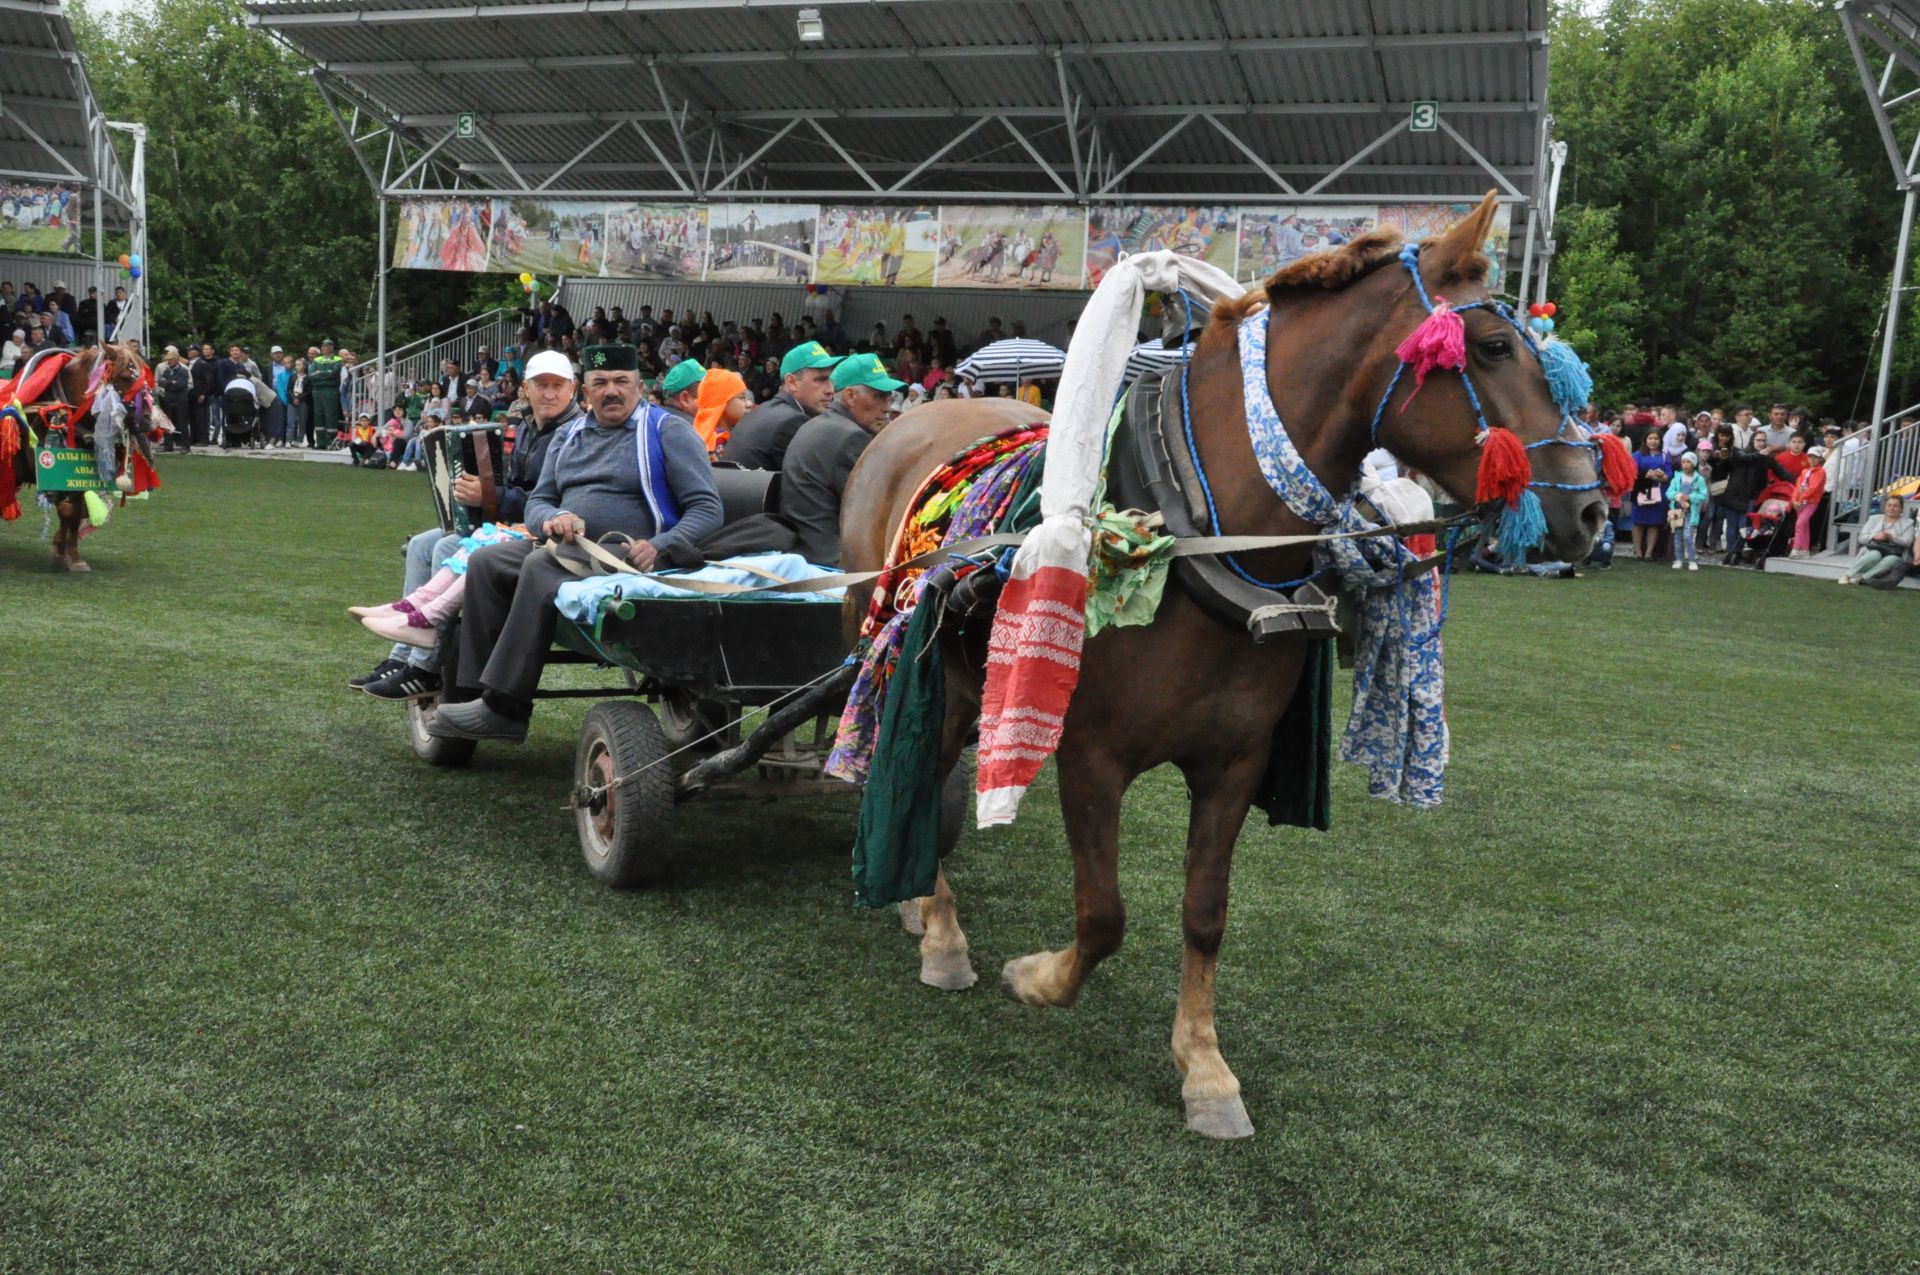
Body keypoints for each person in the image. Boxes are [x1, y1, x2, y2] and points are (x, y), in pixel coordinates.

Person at [429, 343, 723, 742]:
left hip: (630, 556)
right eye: (600, 383)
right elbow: (539, 499)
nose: (611, 391)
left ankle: (506, 707)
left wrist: (662, 545)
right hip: (568, 548)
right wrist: (551, 519)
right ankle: (471, 696)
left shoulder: (667, 431)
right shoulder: (569, 435)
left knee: (539, 566)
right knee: (487, 562)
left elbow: (707, 508)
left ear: (639, 387)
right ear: (586, 393)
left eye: (622, 381)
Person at [350, 351, 587, 701]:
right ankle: (401, 656)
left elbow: (552, 500)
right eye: (541, 385)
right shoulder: (526, 427)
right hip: (511, 524)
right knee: (422, 543)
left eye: (557, 386)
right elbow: (524, 489)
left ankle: (423, 667)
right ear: (526, 388)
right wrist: (482, 496)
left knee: (446, 547)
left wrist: (490, 495)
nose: (549, 394)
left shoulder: (575, 433)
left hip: (536, 531)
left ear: (573, 389)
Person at [780, 352, 902, 564]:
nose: (886, 407)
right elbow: (874, 516)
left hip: (806, 550)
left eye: (888, 397)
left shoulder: (818, 424)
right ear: (850, 396)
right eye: (878, 396)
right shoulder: (850, 437)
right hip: (832, 561)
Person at [721, 340, 845, 471]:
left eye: (831, 381)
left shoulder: (763, 411)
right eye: (820, 379)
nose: (830, 390)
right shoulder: (792, 422)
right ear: (791, 382)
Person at [1838, 495, 1916, 586]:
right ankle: (1847, 575)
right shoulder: (1874, 519)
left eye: (1895, 506)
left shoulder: (1908, 523)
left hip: (1894, 552)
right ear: (1884, 507)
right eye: (1889, 505)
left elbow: (1908, 542)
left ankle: (1862, 578)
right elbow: (1861, 538)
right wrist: (1874, 537)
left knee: (1891, 559)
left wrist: (1891, 537)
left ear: (1901, 509)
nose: (1892, 508)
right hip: (1872, 549)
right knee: (1875, 554)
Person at [1629, 429, 1672, 561]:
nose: (1653, 442)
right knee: (1638, 522)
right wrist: (1645, 475)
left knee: (1654, 523)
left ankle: (1649, 552)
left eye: (1656, 439)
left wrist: (1661, 476)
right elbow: (1631, 472)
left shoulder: (1664, 456)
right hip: (1641, 490)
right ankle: (1637, 551)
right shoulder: (1637, 455)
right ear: (1645, 440)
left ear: (1660, 441)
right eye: (1650, 439)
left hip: (1658, 492)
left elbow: (1669, 474)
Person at [692, 366, 752, 457]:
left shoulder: (700, 435)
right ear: (722, 403)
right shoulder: (718, 442)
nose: (749, 404)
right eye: (742, 398)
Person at [1666, 452, 1708, 571]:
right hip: (1676, 510)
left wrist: (1690, 497)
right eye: (1683, 462)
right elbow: (1669, 493)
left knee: (1688, 535)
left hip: (1691, 511)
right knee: (1677, 535)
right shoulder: (1677, 477)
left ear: (1693, 464)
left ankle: (1692, 560)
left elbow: (1702, 495)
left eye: (1688, 462)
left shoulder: (1698, 479)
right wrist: (1677, 495)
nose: (1685, 464)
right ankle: (1679, 559)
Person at [1787, 446, 1828, 559]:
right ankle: (1805, 550)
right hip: (1800, 502)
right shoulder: (1805, 471)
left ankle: (1796, 548)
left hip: (1811, 502)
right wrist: (1795, 499)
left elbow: (1813, 488)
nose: (1812, 460)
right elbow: (1798, 486)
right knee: (1803, 525)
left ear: (1820, 459)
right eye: (1810, 457)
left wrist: (1800, 499)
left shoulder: (1821, 472)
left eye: (1815, 457)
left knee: (1800, 523)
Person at [156, 346, 192, 452]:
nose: (168, 362)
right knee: (167, 423)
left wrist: (169, 383)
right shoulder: (167, 370)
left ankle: (185, 445)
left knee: (182, 423)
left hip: (180, 400)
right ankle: (168, 445)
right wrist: (172, 382)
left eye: (170, 359)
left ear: (176, 359)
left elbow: (181, 384)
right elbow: (161, 382)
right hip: (168, 400)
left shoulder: (183, 370)